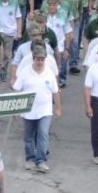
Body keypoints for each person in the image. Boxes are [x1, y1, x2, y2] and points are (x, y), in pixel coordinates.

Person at [11, 43, 60, 173]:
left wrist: (58, 108)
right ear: (33, 59)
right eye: (38, 59)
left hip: (45, 110)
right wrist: (15, 109)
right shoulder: (25, 72)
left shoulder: (49, 72)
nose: (40, 61)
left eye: (42, 59)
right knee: (28, 136)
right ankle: (30, 158)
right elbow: (17, 90)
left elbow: (55, 91)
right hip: (28, 111)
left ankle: (41, 160)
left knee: (43, 134)